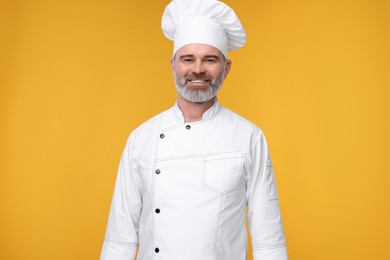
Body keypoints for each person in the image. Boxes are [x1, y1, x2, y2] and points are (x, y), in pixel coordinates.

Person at [100, 0, 287, 259]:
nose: (197, 69)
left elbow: (268, 237)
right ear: (173, 65)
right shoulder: (141, 139)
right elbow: (119, 237)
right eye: (188, 59)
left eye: (210, 59)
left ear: (227, 68)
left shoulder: (249, 137)